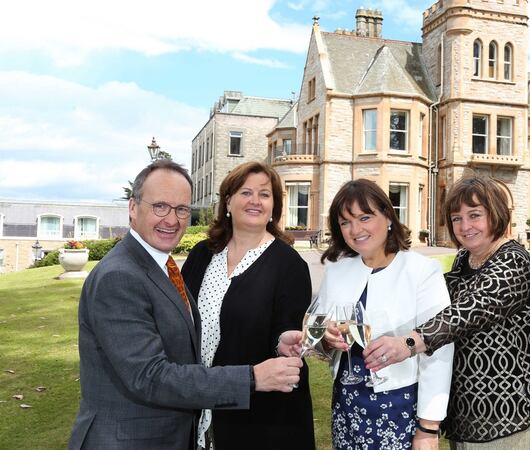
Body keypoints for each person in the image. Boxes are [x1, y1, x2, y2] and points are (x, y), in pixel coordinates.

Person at [69, 160, 302, 450]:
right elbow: (150, 376)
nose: (172, 219)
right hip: (132, 439)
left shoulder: (160, 266)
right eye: (160, 206)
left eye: (181, 210)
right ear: (132, 208)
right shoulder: (120, 276)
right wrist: (251, 378)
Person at [364, 177, 530, 449]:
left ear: (496, 214)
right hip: (466, 414)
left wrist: (407, 344)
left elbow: (466, 313)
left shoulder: (514, 261)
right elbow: (432, 301)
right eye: (456, 218)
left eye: (474, 215)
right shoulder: (465, 259)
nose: (465, 226)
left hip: (508, 412)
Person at [181, 161, 315, 450]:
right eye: (246, 192)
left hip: (261, 418)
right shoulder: (201, 255)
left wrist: (284, 343)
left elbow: (287, 332)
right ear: (228, 201)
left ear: (273, 208)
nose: (255, 200)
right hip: (198, 399)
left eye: (265, 194)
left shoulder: (288, 265)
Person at [317, 179, 454, 450]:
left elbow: (439, 353)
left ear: (388, 217)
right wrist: (325, 339)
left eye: (365, 217)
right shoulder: (336, 271)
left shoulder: (422, 271)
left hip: (400, 409)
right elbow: (319, 335)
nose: (356, 229)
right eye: (345, 222)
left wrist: (428, 428)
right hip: (346, 406)